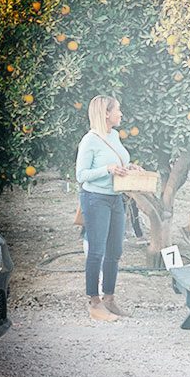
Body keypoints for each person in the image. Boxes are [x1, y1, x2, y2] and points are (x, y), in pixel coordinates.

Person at [75, 95, 141, 321]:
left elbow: (117, 162)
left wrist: (128, 167)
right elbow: (81, 175)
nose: (120, 113)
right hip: (95, 199)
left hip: (115, 198)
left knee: (115, 251)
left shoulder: (114, 135)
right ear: (105, 113)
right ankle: (94, 302)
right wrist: (107, 169)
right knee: (96, 251)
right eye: (117, 110)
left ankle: (109, 299)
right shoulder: (89, 140)